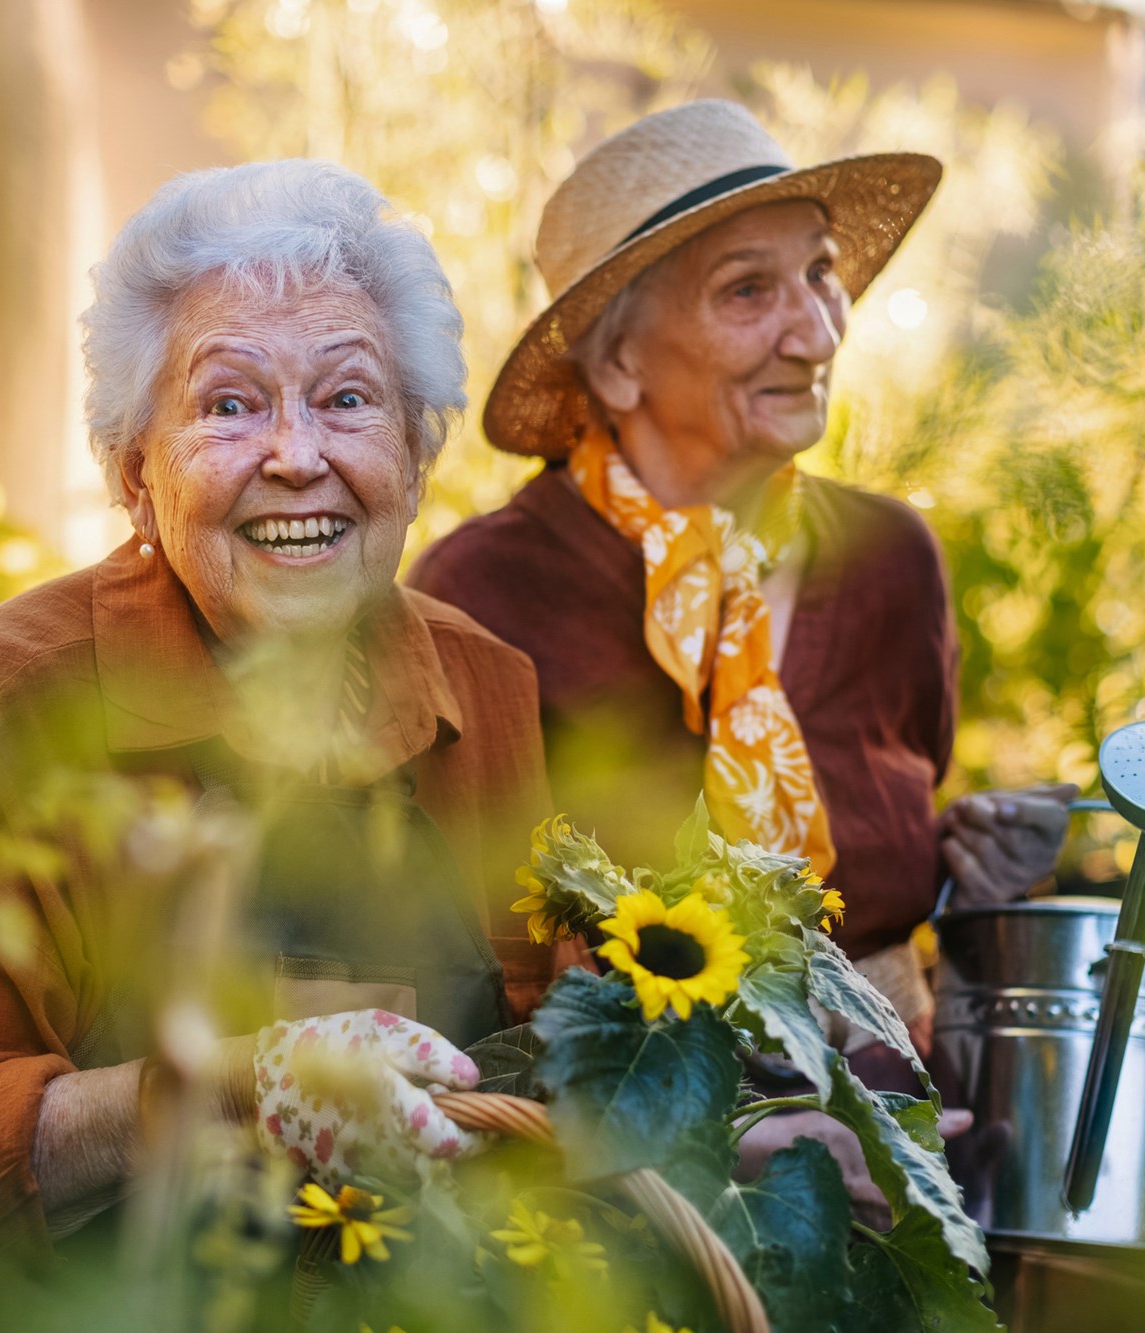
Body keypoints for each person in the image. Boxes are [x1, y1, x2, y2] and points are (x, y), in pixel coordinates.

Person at [0, 161, 568, 1315]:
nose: (294, 454)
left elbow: (541, 1079)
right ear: (133, 473)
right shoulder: (17, 697)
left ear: (418, 457)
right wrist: (211, 1093)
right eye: (227, 405)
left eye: (347, 398)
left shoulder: (490, 687)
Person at [407, 101, 1074, 1194]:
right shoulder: (482, 594)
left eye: (817, 273)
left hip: (908, 1175)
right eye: (747, 292)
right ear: (615, 364)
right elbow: (455, 972)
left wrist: (970, 874)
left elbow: (873, 843)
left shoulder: (889, 561)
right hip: (621, 1197)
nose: (813, 331)